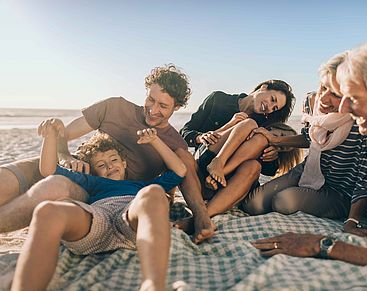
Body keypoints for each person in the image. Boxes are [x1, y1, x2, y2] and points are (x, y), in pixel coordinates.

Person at [0, 64, 214, 243]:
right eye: (150, 99)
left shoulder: (173, 142)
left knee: (50, 188)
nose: (153, 109)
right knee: (5, 181)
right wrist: (65, 155)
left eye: (163, 106)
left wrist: (197, 214)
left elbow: (176, 178)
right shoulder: (114, 106)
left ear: (177, 107)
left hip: (95, 193)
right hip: (73, 169)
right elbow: (62, 134)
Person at [253, 41, 367, 267]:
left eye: (352, 97)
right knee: (256, 203)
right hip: (314, 173)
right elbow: (309, 138)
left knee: (284, 201)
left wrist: (326, 245)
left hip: (340, 192)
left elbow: (360, 179)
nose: (343, 108)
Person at [11, 118, 187, 291]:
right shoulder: (92, 181)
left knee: (154, 192)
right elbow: (48, 170)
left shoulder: (141, 185)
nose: (110, 166)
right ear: (94, 170)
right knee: (47, 211)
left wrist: (155, 140)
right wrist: (50, 136)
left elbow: (180, 170)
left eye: (114, 160)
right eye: (101, 165)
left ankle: (153, 285)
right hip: (97, 220)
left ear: (124, 163)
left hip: (131, 218)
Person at [178, 80, 296, 219]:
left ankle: (201, 217)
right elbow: (184, 133)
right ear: (264, 87)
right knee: (250, 124)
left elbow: (269, 170)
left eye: (274, 108)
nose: (269, 108)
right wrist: (200, 137)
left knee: (254, 163)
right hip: (202, 169)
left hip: (227, 186)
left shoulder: (266, 124)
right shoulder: (218, 99)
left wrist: (272, 154)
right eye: (272, 99)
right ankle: (218, 164)